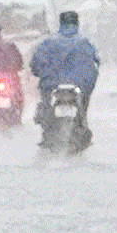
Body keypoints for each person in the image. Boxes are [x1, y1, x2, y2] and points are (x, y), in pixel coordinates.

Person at [29, 9, 102, 142]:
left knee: (45, 104)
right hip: (80, 85)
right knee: (83, 106)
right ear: (77, 23)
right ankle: (81, 125)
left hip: (52, 85)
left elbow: (36, 62)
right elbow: (96, 61)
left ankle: (48, 127)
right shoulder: (85, 42)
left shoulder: (48, 42)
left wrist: (41, 74)